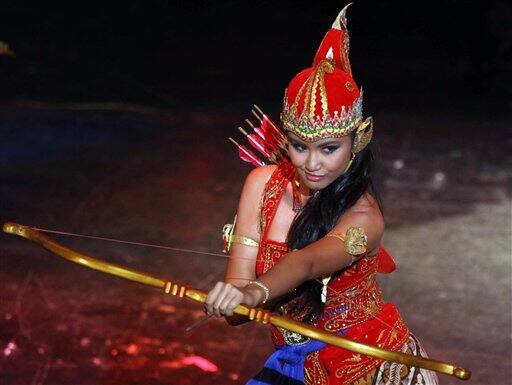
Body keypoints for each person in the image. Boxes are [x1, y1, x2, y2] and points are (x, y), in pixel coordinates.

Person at [205, 5, 440, 385]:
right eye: (299, 146)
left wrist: (253, 292)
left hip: (366, 367)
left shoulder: (364, 216)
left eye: (329, 149)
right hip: (295, 363)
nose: (312, 163)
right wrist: (231, 299)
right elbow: (238, 312)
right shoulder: (261, 184)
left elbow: (305, 264)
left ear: (357, 141)